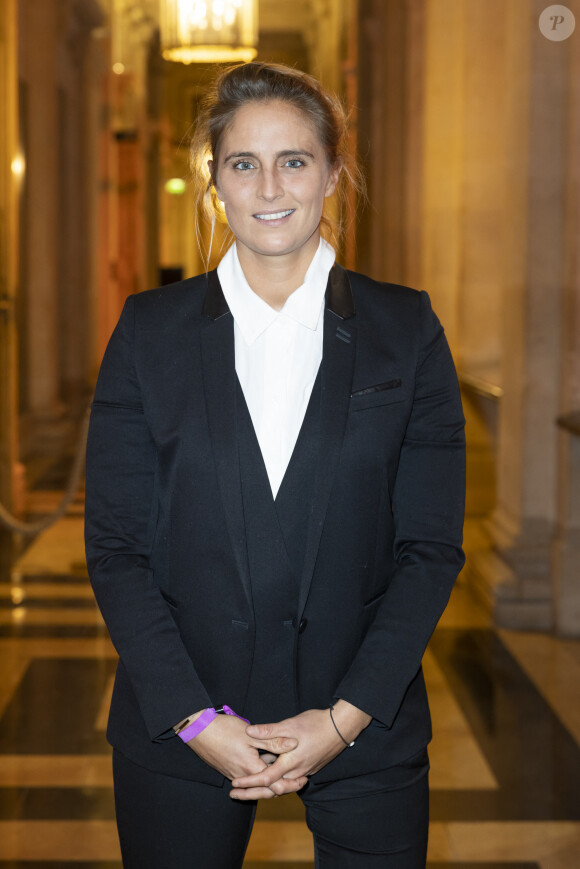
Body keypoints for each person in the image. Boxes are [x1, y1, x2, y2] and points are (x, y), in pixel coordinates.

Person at [85, 61, 465, 869]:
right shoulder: (148, 333)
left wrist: (345, 716)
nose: (269, 187)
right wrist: (195, 717)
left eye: (294, 160)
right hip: (182, 732)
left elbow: (429, 546)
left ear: (332, 173)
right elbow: (117, 546)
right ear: (214, 180)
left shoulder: (408, 328)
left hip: (365, 721)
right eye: (242, 163)